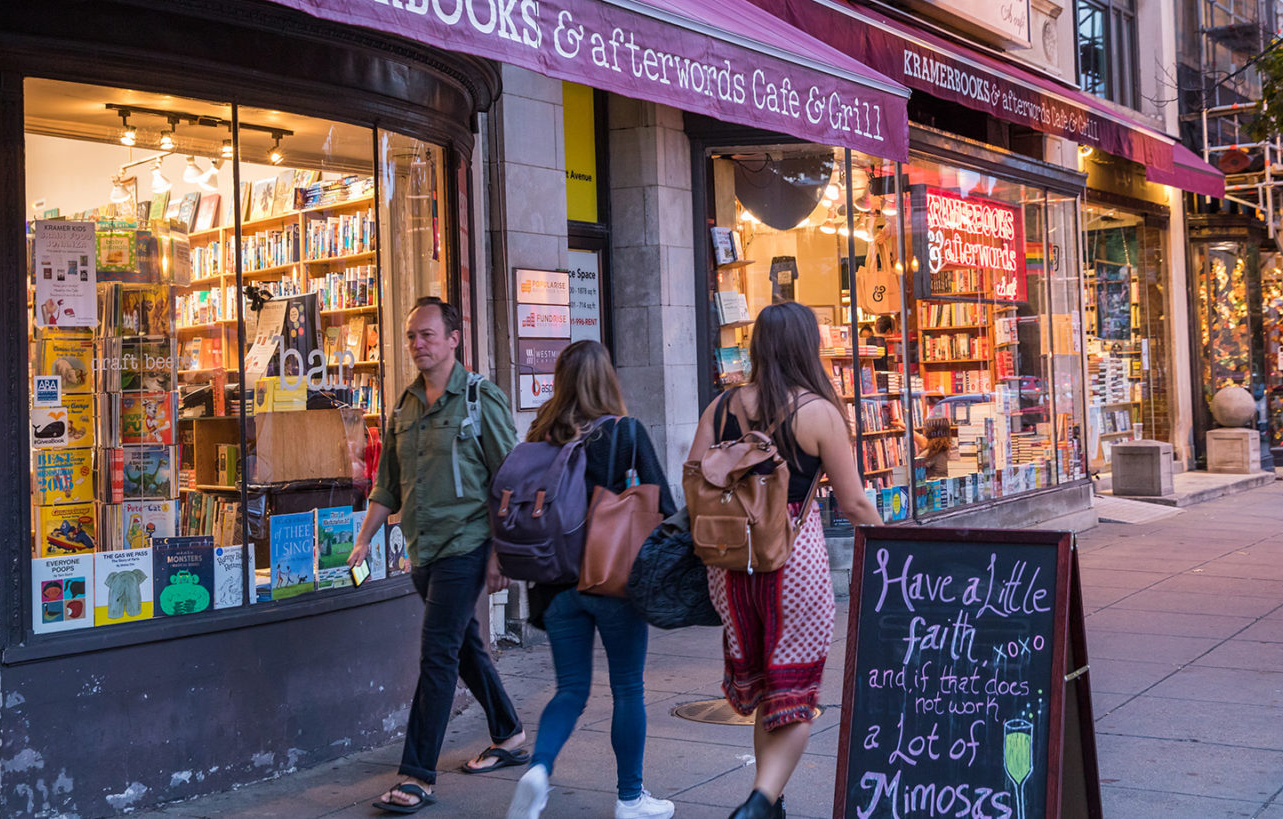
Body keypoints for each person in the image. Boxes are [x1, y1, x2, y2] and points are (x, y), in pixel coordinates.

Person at [685, 302, 884, 819]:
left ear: (758, 346)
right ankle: (757, 802)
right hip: (792, 566)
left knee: (768, 683)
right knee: (795, 687)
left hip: (729, 567)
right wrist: (890, 544)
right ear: (807, 345)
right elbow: (853, 501)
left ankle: (771, 802)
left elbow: (694, 475)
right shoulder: (817, 411)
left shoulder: (722, 406)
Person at [351, 297, 526, 814]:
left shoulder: (479, 398)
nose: (417, 345)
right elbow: (388, 485)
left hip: (466, 545)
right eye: (410, 337)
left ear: (454, 339)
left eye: (427, 335)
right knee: (464, 644)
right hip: (422, 550)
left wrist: (499, 553)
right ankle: (509, 733)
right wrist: (364, 538)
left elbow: (509, 481)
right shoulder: (404, 406)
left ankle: (416, 775)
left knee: (437, 653)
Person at [506, 340, 678, 819]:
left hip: (555, 584)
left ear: (560, 382)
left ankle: (538, 771)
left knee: (571, 689)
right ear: (608, 379)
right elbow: (664, 505)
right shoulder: (626, 432)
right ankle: (630, 798)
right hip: (614, 581)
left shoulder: (541, 434)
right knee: (628, 688)